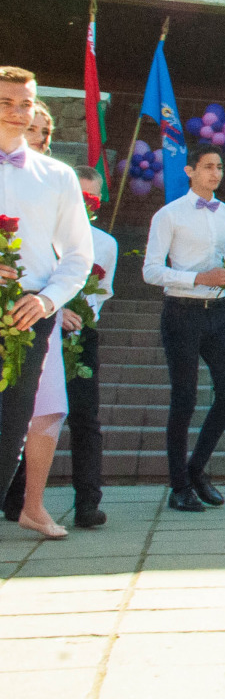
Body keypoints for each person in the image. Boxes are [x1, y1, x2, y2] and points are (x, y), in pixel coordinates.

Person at [0, 68, 94, 540]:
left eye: (26, 103)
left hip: (26, 319)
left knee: (7, 435)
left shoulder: (56, 176)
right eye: (7, 102)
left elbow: (79, 255)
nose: (19, 113)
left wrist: (48, 300)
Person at [143, 143, 225, 513]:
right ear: (190, 171)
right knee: (185, 398)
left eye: (220, 167)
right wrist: (197, 278)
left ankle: (195, 468)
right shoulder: (169, 214)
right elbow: (151, 270)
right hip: (181, 312)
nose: (216, 174)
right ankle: (179, 486)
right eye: (208, 167)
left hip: (218, 312)